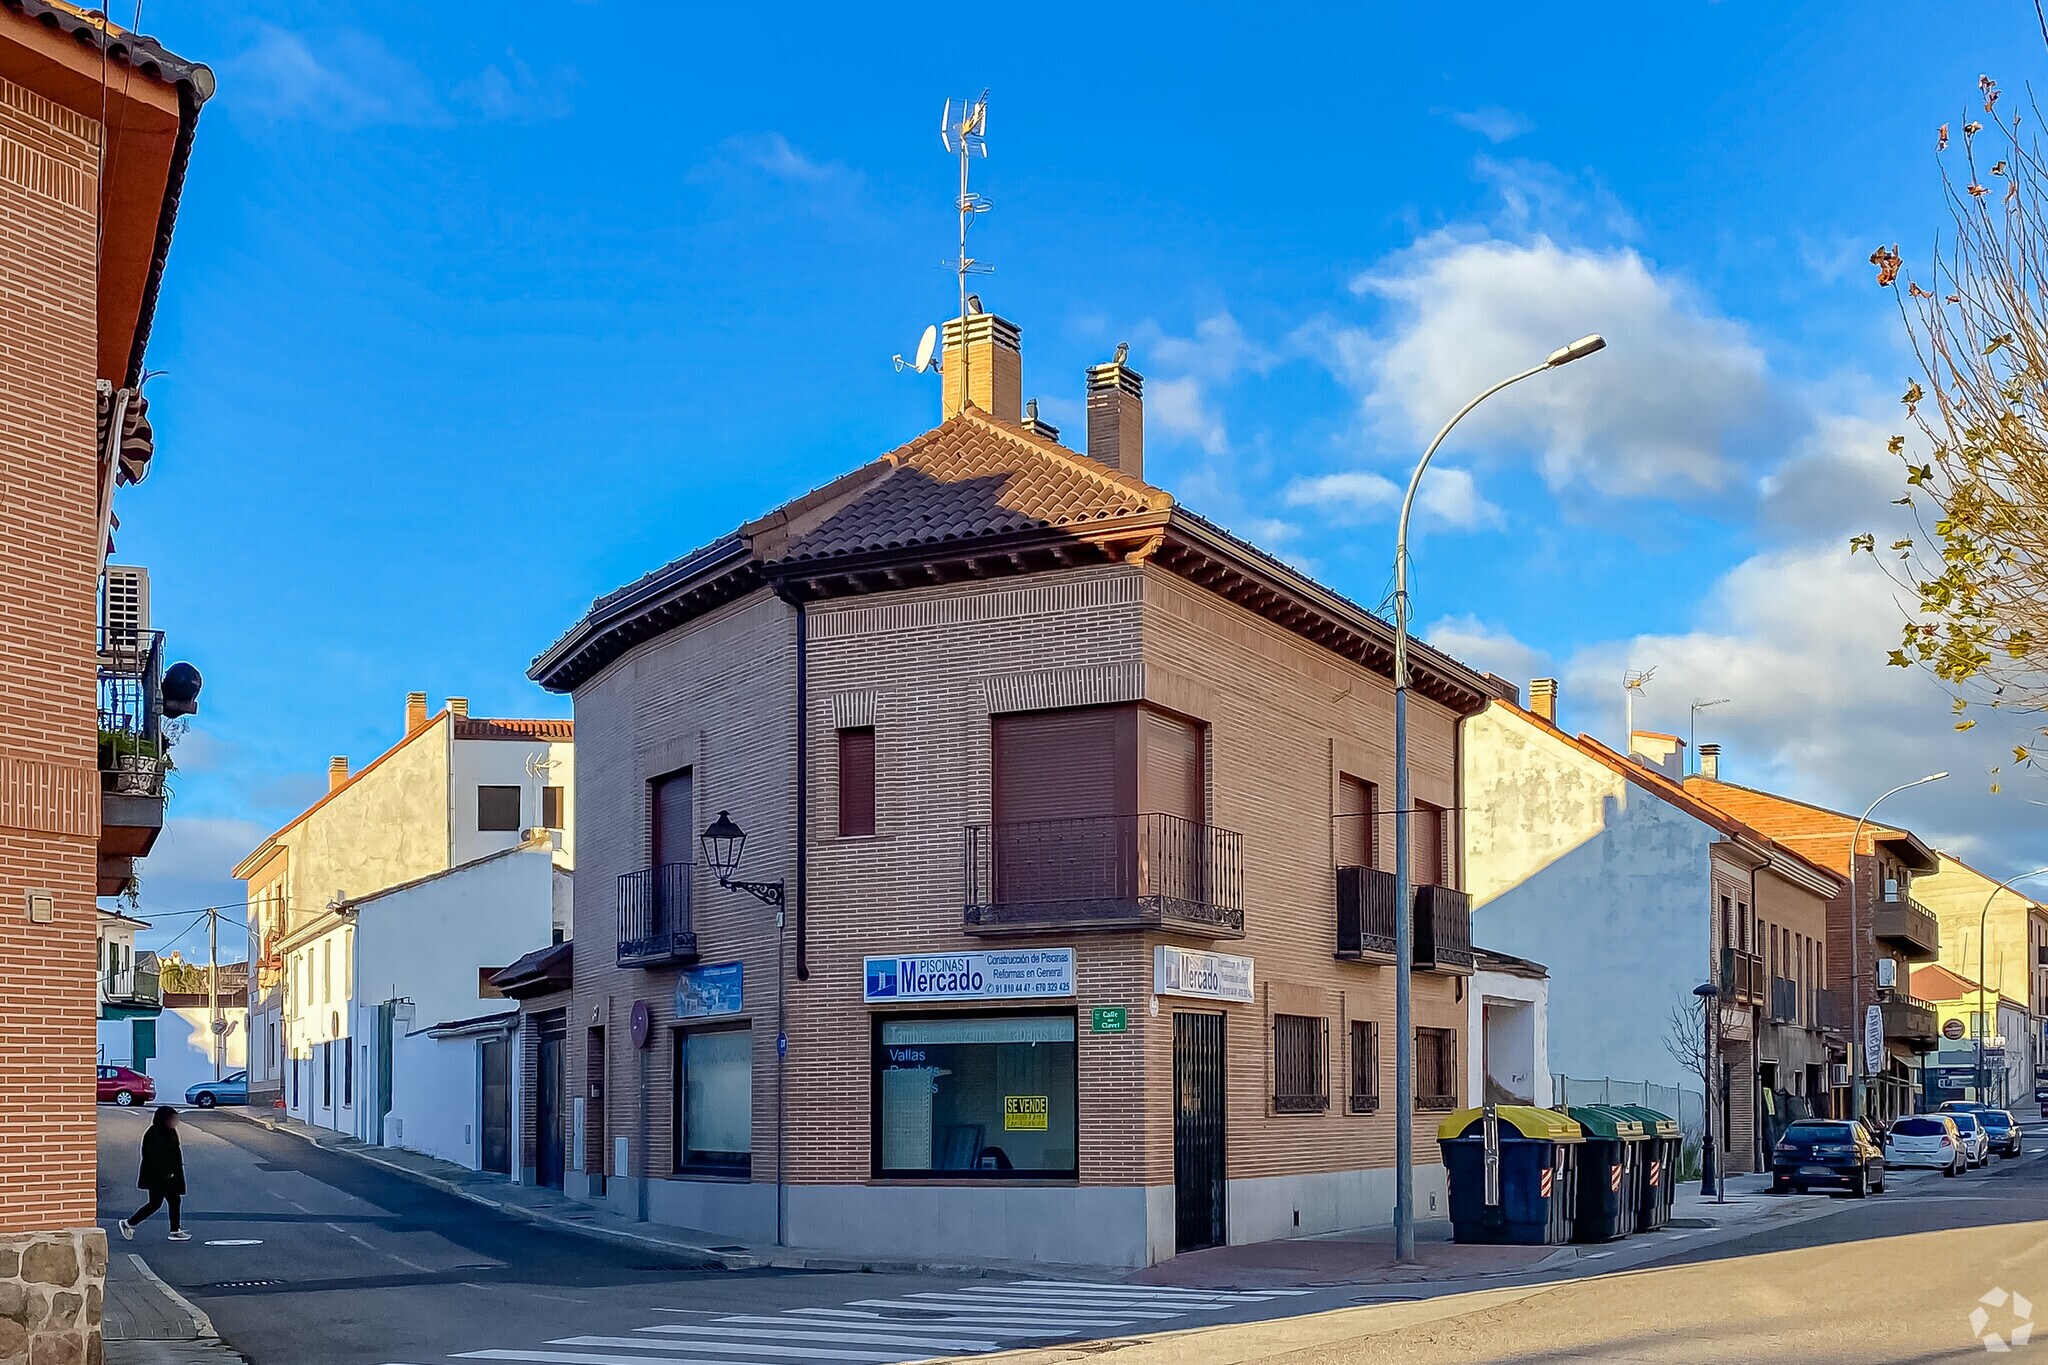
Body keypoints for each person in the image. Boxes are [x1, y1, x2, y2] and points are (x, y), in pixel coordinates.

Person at [119, 1106, 188, 1242]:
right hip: (158, 1176)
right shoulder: (154, 1133)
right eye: (171, 1119)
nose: (174, 1122)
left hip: (170, 1174)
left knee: (174, 1200)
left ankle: (175, 1230)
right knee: (155, 1203)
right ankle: (128, 1223)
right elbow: (154, 1156)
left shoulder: (170, 1131)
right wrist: (168, 1173)